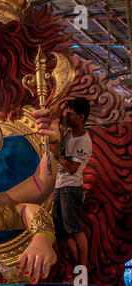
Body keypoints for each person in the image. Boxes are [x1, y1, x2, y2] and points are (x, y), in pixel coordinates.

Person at [50, 97, 92, 271]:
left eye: (71, 114)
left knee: (75, 230)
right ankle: (78, 270)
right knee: (60, 233)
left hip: (71, 188)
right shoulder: (70, 133)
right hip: (61, 187)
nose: (67, 117)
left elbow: (73, 169)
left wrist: (56, 155)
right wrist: (59, 115)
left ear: (81, 117)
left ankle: (82, 272)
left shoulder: (83, 141)